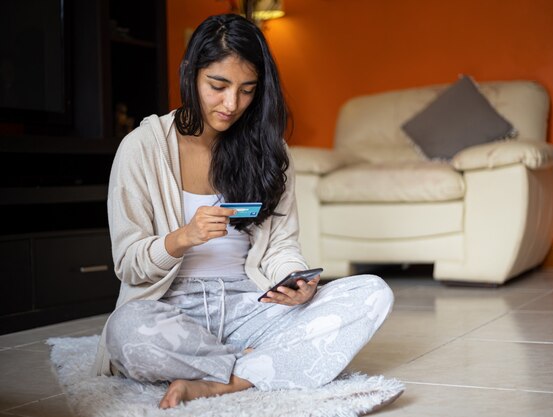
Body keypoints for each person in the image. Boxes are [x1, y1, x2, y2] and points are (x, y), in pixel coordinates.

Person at [91, 13, 394, 409]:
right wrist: (183, 237)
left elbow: (282, 244)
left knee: (372, 293)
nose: (231, 104)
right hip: (172, 307)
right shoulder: (142, 148)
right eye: (218, 86)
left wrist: (293, 282)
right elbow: (129, 265)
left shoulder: (269, 153)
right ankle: (263, 366)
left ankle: (219, 382)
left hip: (250, 306)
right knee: (126, 331)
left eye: (247, 90)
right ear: (190, 74)